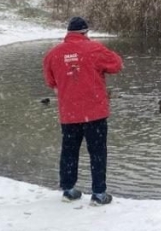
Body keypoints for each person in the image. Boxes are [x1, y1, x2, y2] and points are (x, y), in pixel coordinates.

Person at [42, 16, 123, 204]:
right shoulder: (94, 48)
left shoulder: (53, 54)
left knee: (69, 151)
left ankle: (69, 190)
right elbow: (117, 65)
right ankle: (98, 193)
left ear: (68, 33)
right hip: (94, 112)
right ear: (85, 32)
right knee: (97, 152)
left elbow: (50, 81)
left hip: (69, 113)